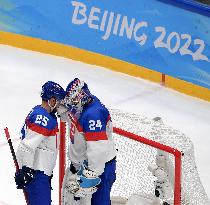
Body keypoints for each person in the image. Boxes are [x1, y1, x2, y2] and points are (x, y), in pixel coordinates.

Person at [58, 78, 117, 205]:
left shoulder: (93, 115)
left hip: (98, 170)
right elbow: (66, 113)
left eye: (73, 99)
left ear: (82, 95)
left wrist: (90, 176)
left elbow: (98, 150)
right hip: (81, 167)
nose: (71, 103)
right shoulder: (81, 105)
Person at [15, 81, 66, 205]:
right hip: (37, 175)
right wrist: (26, 171)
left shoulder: (42, 112)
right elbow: (26, 147)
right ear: (52, 101)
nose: (60, 105)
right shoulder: (43, 119)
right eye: (59, 101)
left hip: (40, 174)